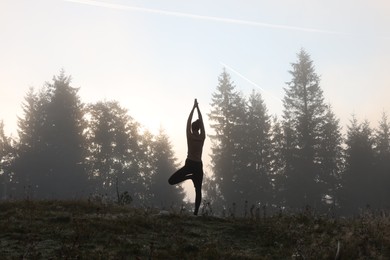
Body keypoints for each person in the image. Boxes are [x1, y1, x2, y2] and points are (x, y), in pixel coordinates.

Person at [168, 98, 206, 215]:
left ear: (192, 128)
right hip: (198, 165)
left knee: (171, 181)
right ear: (199, 129)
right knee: (198, 191)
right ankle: (195, 214)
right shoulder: (202, 137)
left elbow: (188, 121)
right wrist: (198, 108)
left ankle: (189, 177)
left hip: (189, 164)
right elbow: (202, 121)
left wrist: (193, 108)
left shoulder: (189, 135)